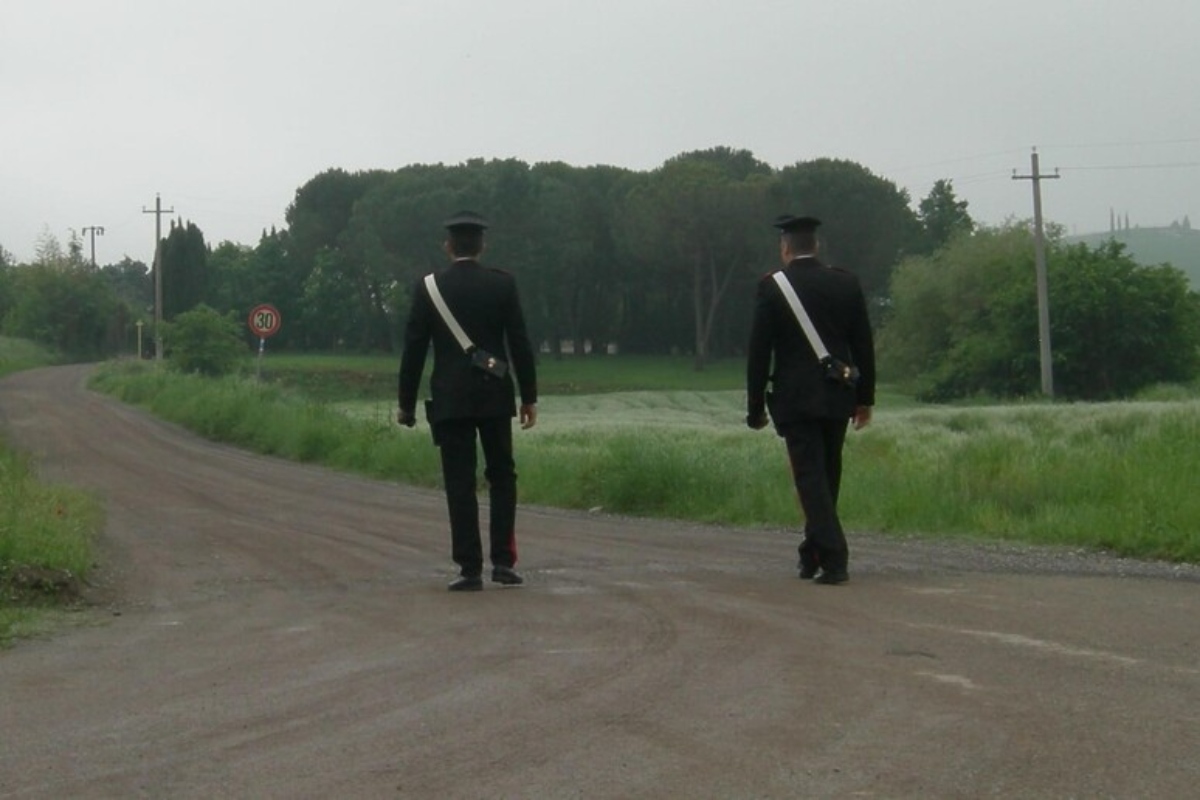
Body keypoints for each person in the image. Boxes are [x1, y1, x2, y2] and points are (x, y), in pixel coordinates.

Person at [397, 211, 538, 592]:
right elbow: (520, 343)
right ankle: (504, 563)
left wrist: (406, 404)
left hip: (450, 399)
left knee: (459, 482)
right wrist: (529, 397)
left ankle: (469, 568)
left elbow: (414, 348)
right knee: (502, 476)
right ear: (482, 246)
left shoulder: (428, 288)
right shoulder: (502, 285)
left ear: (448, 247)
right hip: (494, 395)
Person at [745, 214, 875, 585]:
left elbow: (759, 353)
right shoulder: (846, 283)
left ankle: (834, 560)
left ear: (785, 248)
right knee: (827, 475)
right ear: (816, 246)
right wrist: (865, 399)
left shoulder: (772, 287)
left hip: (796, 399)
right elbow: (863, 345)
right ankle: (812, 552)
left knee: (810, 478)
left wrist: (755, 408)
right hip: (838, 394)